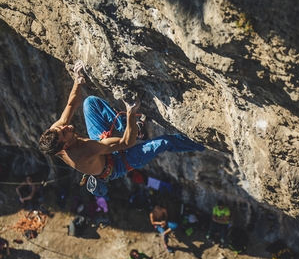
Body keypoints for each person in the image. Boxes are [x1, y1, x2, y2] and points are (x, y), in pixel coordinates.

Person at [38, 61, 205, 196]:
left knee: (90, 104)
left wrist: (77, 80)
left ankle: (131, 127)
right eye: (65, 132)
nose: (65, 127)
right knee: (164, 142)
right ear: (65, 146)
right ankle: (201, 142)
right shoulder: (83, 152)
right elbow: (127, 142)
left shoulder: (56, 133)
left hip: (101, 147)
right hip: (117, 163)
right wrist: (131, 112)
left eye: (61, 128)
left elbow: (72, 103)